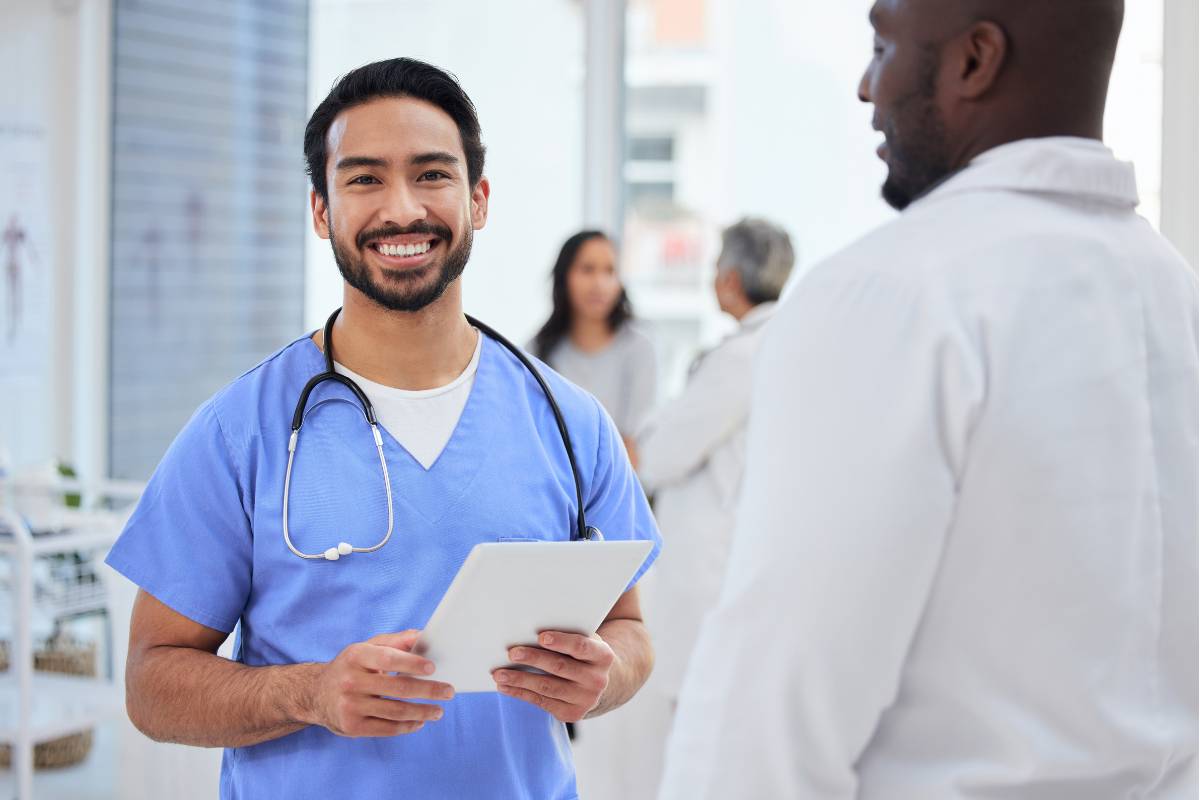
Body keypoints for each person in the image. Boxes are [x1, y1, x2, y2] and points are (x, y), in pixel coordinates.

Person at [660, 1, 1198, 798]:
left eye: (884, 45)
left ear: (975, 61)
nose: (865, 87)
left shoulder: (891, 292)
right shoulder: (1174, 293)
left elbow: (765, 724)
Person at [105, 58, 661, 800]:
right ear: (321, 211)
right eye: (364, 179)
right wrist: (307, 694)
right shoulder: (241, 432)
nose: (402, 209)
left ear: (479, 199)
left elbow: (630, 633)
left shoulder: (567, 420)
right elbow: (150, 684)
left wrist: (604, 674)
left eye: (432, 174)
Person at [530, 231, 657, 467]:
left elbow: (633, 446)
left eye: (610, 271)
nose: (600, 283)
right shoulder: (537, 352)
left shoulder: (638, 349)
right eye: (588, 269)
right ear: (564, 276)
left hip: (616, 488)